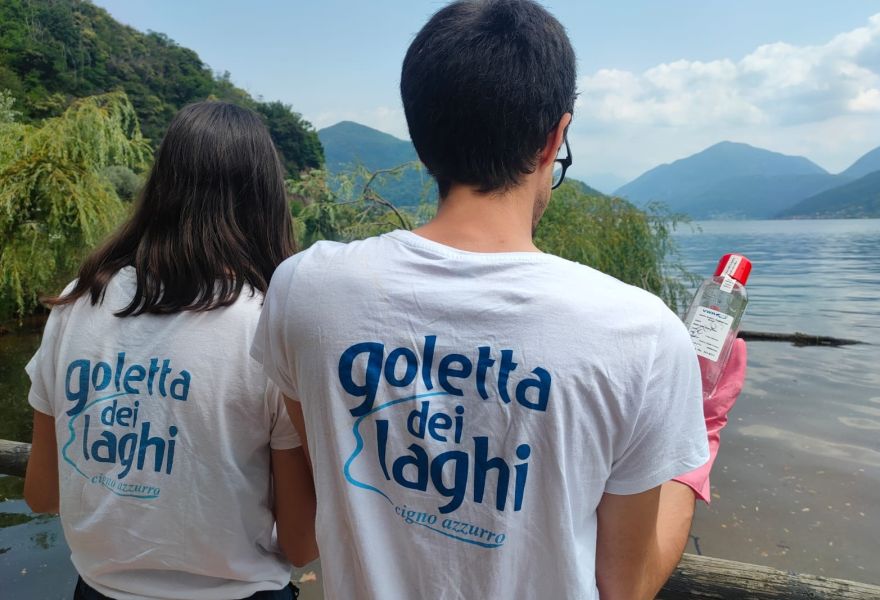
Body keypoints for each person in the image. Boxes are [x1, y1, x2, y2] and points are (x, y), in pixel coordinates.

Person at [252, 1, 746, 598]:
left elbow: (331, 464)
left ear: (420, 138)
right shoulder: (641, 335)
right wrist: (700, 438)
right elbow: (627, 586)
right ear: (554, 138)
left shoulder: (303, 288)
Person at [23, 101, 317, 600]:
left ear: (161, 188)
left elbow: (42, 493)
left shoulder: (78, 301)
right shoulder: (268, 323)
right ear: (266, 201)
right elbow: (301, 542)